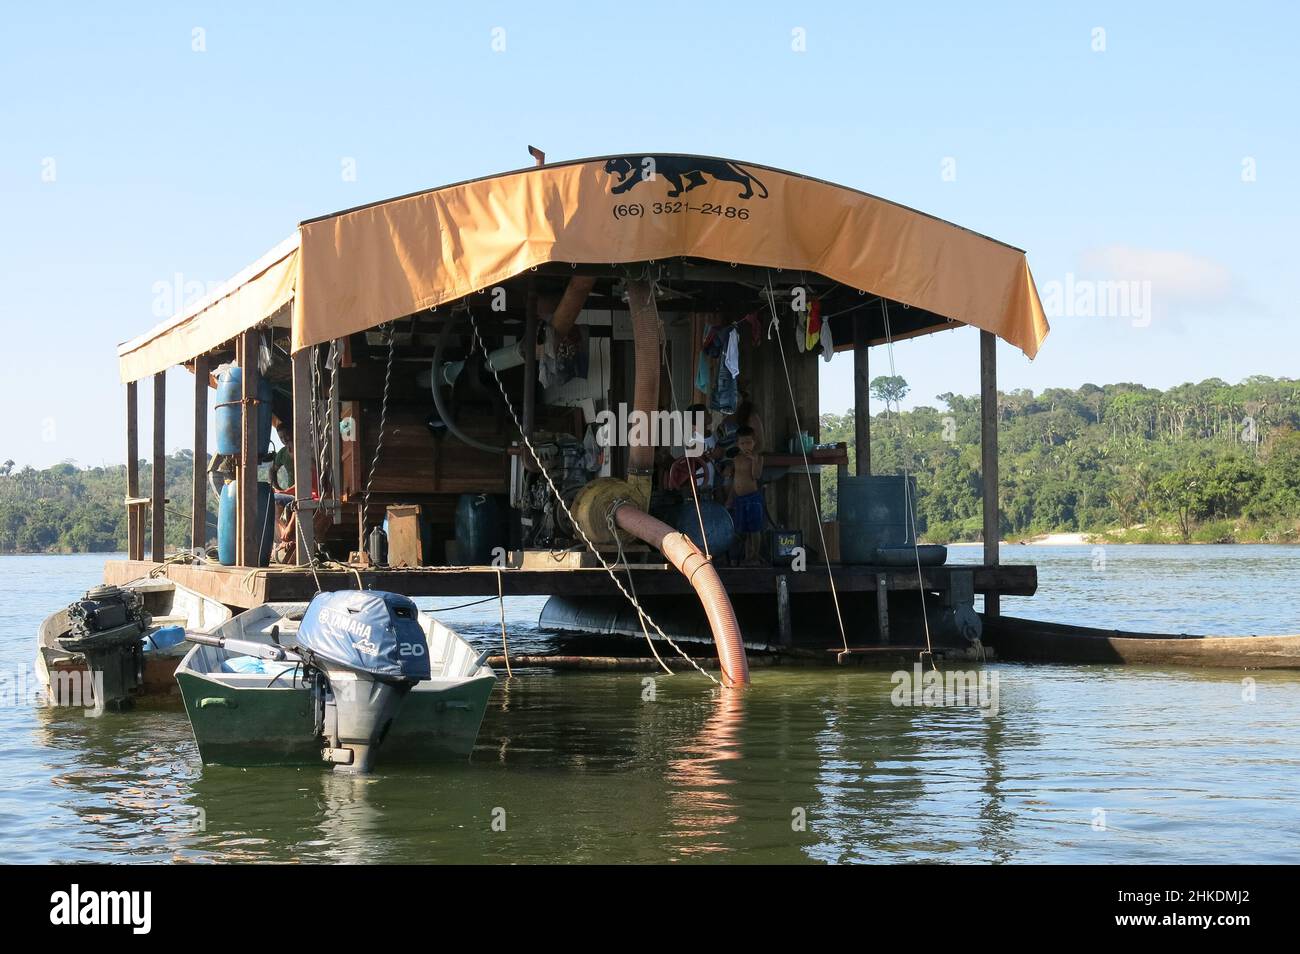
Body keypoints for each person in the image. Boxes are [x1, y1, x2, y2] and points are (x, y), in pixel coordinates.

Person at [729, 426, 765, 565]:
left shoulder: (758, 458)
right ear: (737, 444)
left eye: (749, 442)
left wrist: (754, 460)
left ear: (754, 442)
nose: (746, 446)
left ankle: (754, 556)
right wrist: (730, 498)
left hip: (752, 497)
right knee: (742, 529)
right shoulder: (736, 459)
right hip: (739, 498)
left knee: (754, 529)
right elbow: (734, 479)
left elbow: (756, 475)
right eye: (742, 443)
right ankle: (746, 557)